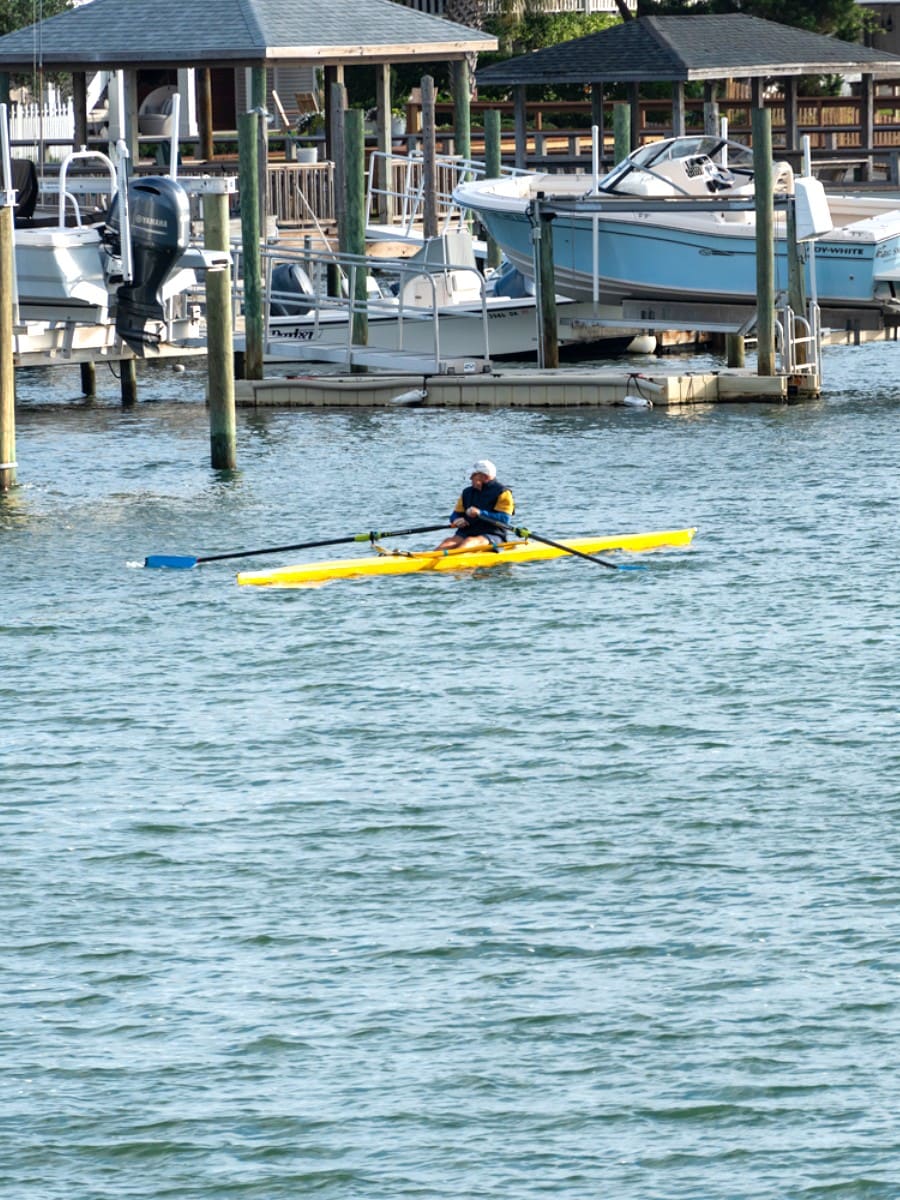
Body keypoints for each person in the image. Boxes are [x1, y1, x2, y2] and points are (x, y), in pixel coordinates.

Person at [435, 460, 515, 551]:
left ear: (484, 477)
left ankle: (453, 562)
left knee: (469, 542)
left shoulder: (503, 492)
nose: (470, 478)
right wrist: (456, 519)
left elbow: (505, 519)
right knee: (447, 542)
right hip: (468, 531)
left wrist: (480, 513)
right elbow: (455, 514)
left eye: (473, 475)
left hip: (492, 534)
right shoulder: (467, 492)